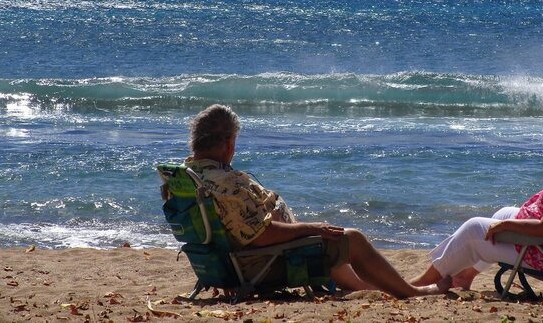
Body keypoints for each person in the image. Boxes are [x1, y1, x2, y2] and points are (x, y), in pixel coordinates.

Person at [183, 104, 441, 298]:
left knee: (328, 241)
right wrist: (311, 228)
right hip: (264, 261)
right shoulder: (225, 183)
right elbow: (261, 235)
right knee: (352, 240)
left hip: (236, 261)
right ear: (229, 144)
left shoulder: (189, 175)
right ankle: (412, 293)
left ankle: (387, 287)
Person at [410, 110, 543, 292]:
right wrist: (506, 220)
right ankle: (463, 277)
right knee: (501, 213)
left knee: (474, 228)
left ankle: (423, 282)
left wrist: (507, 226)